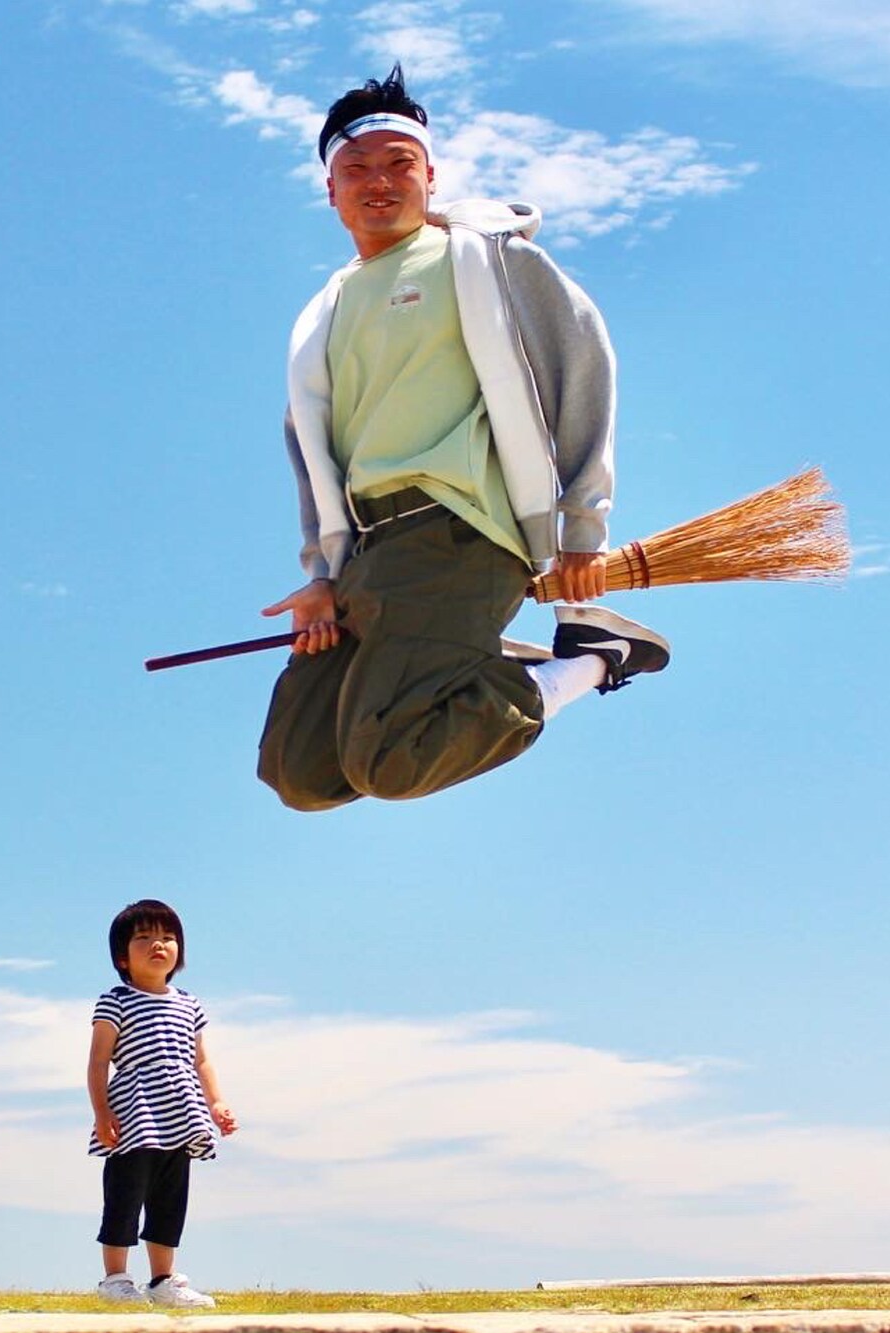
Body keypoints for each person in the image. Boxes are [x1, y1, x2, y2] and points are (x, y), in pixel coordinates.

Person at [258, 64, 669, 811]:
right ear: (330, 189)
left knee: (388, 757)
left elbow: (585, 364)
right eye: (356, 169)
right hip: (367, 556)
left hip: (455, 532)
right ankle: (466, 656)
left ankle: (592, 661)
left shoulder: (481, 260)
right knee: (301, 769)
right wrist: (322, 575)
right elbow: (312, 457)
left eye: (398, 165)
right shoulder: (322, 312)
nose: (377, 181)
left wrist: (582, 527)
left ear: (429, 175)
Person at [87, 899, 238, 1306]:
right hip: (134, 1114)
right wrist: (101, 1113)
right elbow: (99, 1061)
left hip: (182, 1112)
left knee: (169, 1200)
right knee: (124, 1197)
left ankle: (163, 1282)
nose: (158, 944)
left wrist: (217, 1103)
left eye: (168, 937)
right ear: (122, 955)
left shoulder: (188, 1003)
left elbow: (201, 1058)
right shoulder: (115, 1000)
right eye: (144, 937)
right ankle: (115, 1280)